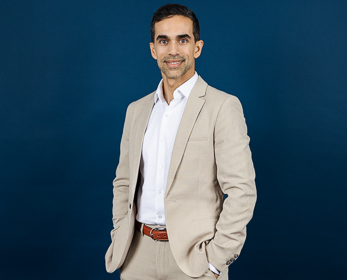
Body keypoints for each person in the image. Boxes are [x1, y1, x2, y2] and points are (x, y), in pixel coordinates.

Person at [105, 3, 256, 280]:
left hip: (194, 261)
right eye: (164, 41)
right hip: (137, 255)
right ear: (153, 50)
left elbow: (241, 191)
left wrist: (216, 261)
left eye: (182, 40)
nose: (173, 50)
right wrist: (119, 235)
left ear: (197, 47)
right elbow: (124, 182)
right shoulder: (136, 111)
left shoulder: (223, 106)